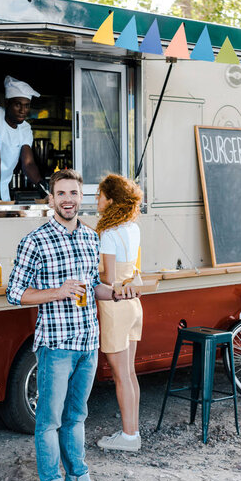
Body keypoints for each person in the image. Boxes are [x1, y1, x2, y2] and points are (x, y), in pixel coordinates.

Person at [6, 169, 138, 481]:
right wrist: (58, 292)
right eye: (61, 193)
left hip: (88, 340)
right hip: (55, 344)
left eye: (74, 193)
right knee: (48, 421)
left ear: (82, 198)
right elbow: (15, 293)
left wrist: (117, 293)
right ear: (51, 199)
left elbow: (95, 285)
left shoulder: (92, 238)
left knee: (77, 416)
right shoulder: (35, 240)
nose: (68, 199)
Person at [96, 174, 143, 452]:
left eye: (100, 195)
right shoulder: (132, 227)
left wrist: (87, 272)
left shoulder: (109, 233)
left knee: (120, 375)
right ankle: (132, 432)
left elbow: (108, 278)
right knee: (130, 373)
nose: (97, 200)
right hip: (133, 305)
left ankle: (128, 437)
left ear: (111, 199)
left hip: (115, 306)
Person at [0, 75, 47, 201]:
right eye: (18, 104)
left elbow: (28, 163)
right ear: (7, 103)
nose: (23, 110)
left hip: (2, 191)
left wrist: (41, 186)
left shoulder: (25, 129)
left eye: (27, 105)